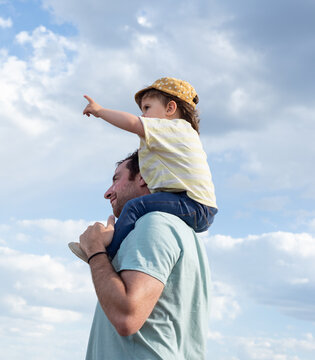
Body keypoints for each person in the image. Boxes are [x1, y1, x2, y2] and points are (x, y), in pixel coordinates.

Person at [79, 151, 211, 359]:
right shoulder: (181, 232)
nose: (107, 192)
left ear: (144, 176)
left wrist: (95, 250)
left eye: (116, 179)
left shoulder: (154, 224)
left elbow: (126, 317)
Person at [70, 77, 217, 262]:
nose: (143, 115)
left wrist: (100, 111)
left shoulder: (173, 127)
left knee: (134, 206)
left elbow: (132, 124)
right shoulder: (178, 136)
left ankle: (109, 254)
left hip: (193, 204)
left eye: (147, 108)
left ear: (170, 109)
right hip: (195, 205)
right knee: (142, 210)